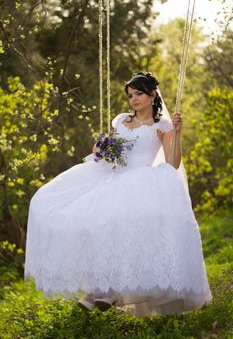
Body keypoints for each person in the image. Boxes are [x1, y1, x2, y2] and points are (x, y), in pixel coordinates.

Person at [24, 71, 212, 317]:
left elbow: (173, 162)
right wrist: (105, 148)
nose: (133, 99)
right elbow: (99, 148)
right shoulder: (121, 120)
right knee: (82, 218)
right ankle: (100, 286)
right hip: (113, 177)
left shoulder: (162, 126)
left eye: (139, 93)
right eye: (131, 95)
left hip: (141, 181)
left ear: (152, 95)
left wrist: (178, 132)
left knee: (121, 224)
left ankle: (109, 289)